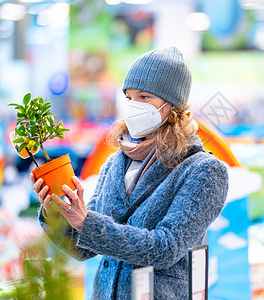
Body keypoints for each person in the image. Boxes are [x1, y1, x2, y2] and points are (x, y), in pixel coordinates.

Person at [31, 46, 229, 299]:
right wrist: (55, 212)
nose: (134, 106)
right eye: (129, 97)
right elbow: (83, 249)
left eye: (145, 97)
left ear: (173, 106)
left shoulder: (204, 171)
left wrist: (86, 221)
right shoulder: (114, 163)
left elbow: (165, 248)